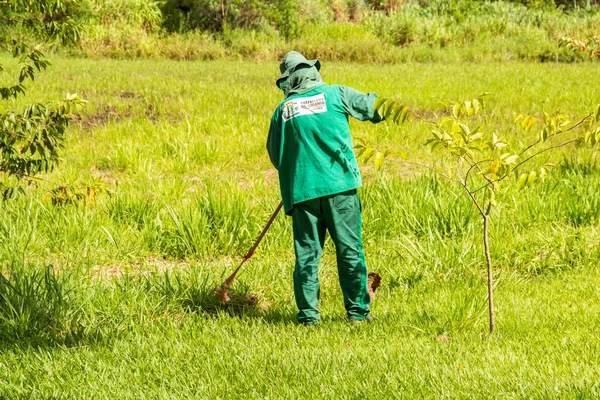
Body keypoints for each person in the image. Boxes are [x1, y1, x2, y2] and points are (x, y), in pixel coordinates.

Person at [267, 50, 383, 326]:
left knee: (307, 256)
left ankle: (309, 318)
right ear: (313, 71)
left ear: (288, 80)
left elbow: (275, 154)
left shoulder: (283, 111)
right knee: (350, 250)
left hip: (304, 193)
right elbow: (373, 108)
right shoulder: (336, 94)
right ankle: (358, 314)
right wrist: (392, 107)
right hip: (340, 188)